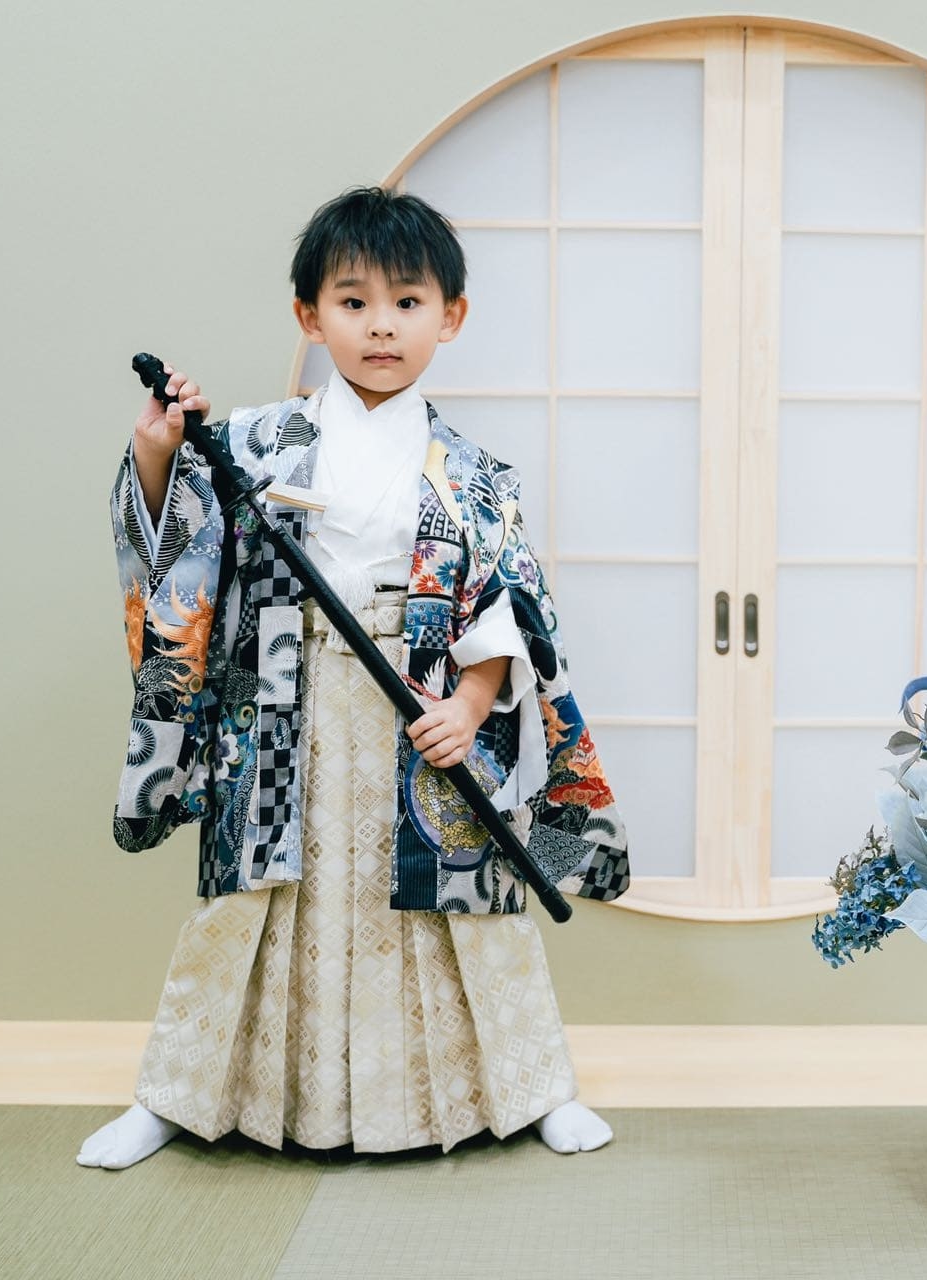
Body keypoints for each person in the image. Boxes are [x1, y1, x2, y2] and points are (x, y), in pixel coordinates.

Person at [78, 186, 630, 1170]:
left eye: (409, 301)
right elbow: (179, 557)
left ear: (450, 317)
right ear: (309, 315)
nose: (382, 323)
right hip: (280, 705)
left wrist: (469, 703)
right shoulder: (245, 443)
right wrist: (160, 451)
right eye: (353, 299)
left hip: (420, 707)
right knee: (247, 900)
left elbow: (505, 603)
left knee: (470, 905)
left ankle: (538, 1087)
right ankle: (176, 1092)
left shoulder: (472, 472)